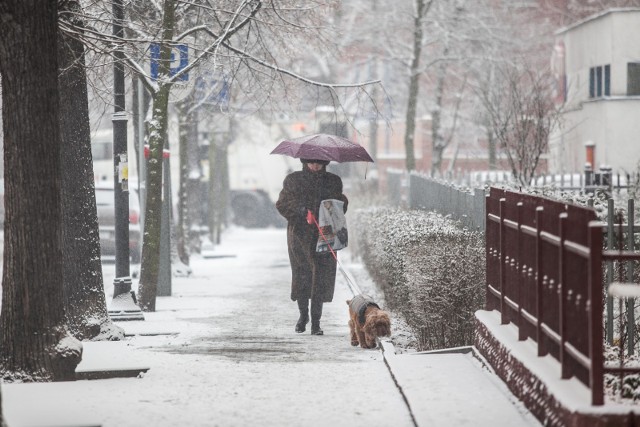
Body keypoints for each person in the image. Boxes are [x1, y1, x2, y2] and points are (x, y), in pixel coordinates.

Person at [276, 158, 348, 335]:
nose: (315, 165)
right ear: (304, 162)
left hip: (325, 234)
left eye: (319, 162)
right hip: (300, 235)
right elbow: (282, 204)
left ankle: (316, 322)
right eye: (311, 162)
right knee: (302, 276)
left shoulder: (333, 181)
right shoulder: (293, 180)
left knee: (321, 278)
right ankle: (303, 316)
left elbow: (341, 205)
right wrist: (301, 211)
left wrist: (331, 207)